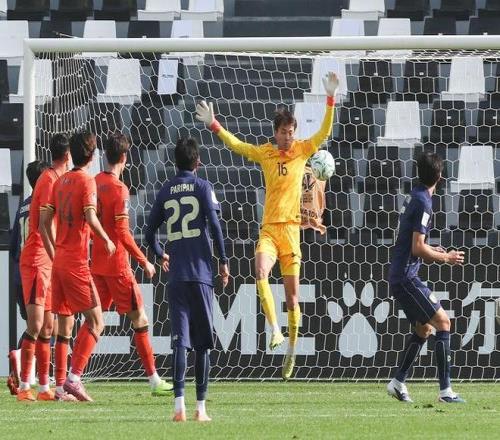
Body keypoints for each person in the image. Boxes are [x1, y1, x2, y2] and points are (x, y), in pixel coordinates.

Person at [195, 72, 338, 380]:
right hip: (270, 230)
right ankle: (274, 329)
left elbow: (325, 131)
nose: (288, 137)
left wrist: (330, 98)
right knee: (259, 271)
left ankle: (291, 350)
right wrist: (214, 124)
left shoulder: (303, 150)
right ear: (275, 133)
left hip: (292, 233)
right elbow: (237, 145)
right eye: (284, 132)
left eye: (291, 132)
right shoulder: (266, 153)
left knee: (293, 299)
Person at [145, 137, 229, 422]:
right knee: (203, 344)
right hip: (201, 275)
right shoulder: (204, 187)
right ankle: (200, 409)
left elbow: (149, 232)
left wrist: (161, 254)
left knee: (180, 341)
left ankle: (178, 407)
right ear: (197, 162)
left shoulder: (166, 190)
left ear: (175, 162)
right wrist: (224, 260)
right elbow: (215, 225)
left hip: (177, 277)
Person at [91, 132, 173, 396]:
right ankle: (153, 379)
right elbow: (123, 233)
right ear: (125, 157)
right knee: (140, 318)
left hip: (96, 264)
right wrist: (145, 261)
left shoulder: (93, 183)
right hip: (117, 267)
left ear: (105, 155)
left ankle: (71, 376)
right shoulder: (119, 189)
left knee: (93, 322)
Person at [41, 131, 116, 402]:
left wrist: (55, 250)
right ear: (92, 155)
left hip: (59, 262)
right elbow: (91, 217)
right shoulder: (87, 181)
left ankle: (61, 387)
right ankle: (73, 378)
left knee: (65, 325)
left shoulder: (59, 181)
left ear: (71, 154)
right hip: (75, 263)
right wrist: (106, 239)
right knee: (97, 321)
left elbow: (44, 222)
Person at [387, 152, 465, 403]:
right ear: (440, 176)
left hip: (400, 274)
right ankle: (446, 392)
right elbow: (417, 247)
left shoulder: (415, 196)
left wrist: (434, 250)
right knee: (443, 322)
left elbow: (414, 242)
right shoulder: (424, 202)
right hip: (406, 277)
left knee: (425, 328)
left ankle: (398, 383)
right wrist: (446, 257)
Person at [17, 135, 71, 402]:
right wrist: (56, 255)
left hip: (48, 259)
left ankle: (43, 387)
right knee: (37, 324)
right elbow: (44, 224)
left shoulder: (57, 179)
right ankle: (24, 385)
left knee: (49, 327)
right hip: (38, 258)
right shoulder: (49, 180)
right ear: (68, 155)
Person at [7, 160, 49, 396]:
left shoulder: (23, 205)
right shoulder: (43, 206)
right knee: (41, 327)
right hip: (36, 271)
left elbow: (14, 246)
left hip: (20, 275)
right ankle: (28, 376)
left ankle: (30, 377)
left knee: (38, 327)